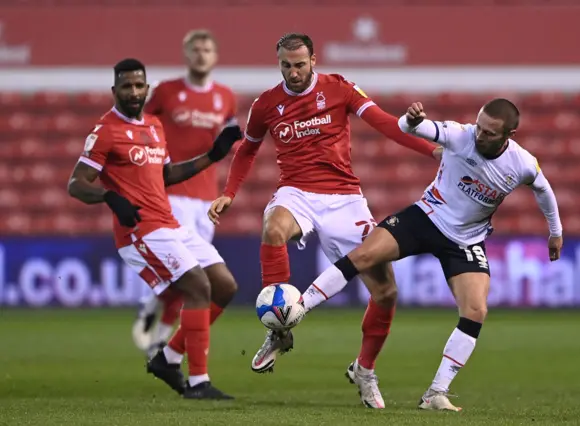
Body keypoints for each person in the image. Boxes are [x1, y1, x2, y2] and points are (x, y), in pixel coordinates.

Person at [297, 98, 563, 410]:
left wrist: (555, 231)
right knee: (365, 255)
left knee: (476, 310)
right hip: (426, 217)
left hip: (466, 240)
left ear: (510, 135)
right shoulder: (459, 135)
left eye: (490, 133)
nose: (480, 135)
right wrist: (411, 120)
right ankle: (299, 309)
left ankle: (436, 392)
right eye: (479, 127)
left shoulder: (522, 164)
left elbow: (544, 190)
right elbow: (409, 128)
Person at [207, 33, 442, 377]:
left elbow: (384, 123)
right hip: (296, 192)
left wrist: (431, 148)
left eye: (300, 64)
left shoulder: (339, 88)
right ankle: (278, 330)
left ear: (313, 60)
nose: (294, 72)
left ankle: (364, 368)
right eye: (286, 65)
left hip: (344, 198)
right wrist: (229, 191)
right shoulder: (266, 104)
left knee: (385, 291)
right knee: (273, 229)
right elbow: (247, 149)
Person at [67, 58, 242, 399]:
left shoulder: (154, 126)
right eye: (126, 86)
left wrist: (213, 155)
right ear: (114, 90)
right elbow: (76, 183)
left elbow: (166, 176)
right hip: (140, 231)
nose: (133, 92)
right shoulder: (105, 131)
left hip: (170, 223)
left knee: (225, 286)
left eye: (138, 85)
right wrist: (108, 197)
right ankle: (198, 382)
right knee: (197, 287)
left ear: (147, 89)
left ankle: (168, 358)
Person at [131, 29, 239, 358]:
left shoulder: (225, 97)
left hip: (206, 198)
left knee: (193, 275)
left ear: (215, 56)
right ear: (186, 53)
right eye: (196, 49)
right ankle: (152, 314)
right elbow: (140, 125)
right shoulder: (166, 92)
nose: (201, 54)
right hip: (171, 193)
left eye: (207, 49)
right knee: (183, 271)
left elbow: (230, 140)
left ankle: (158, 334)